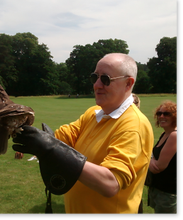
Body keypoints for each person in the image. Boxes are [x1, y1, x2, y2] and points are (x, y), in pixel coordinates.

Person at [12, 53, 154, 214]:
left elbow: (110, 183)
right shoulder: (94, 113)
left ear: (128, 84)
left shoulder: (133, 125)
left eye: (106, 79)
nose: (97, 85)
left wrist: (51, 148)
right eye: (95, 77)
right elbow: (61, 138)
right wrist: (24, 131)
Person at [148, 100, 177, 214]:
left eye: (166, 114)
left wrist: (147, 157)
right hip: (158, 189)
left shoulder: (174, 135)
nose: (162, 116)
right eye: (159, 113)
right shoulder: (164, 134)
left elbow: (158, 167)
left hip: (168, 192)